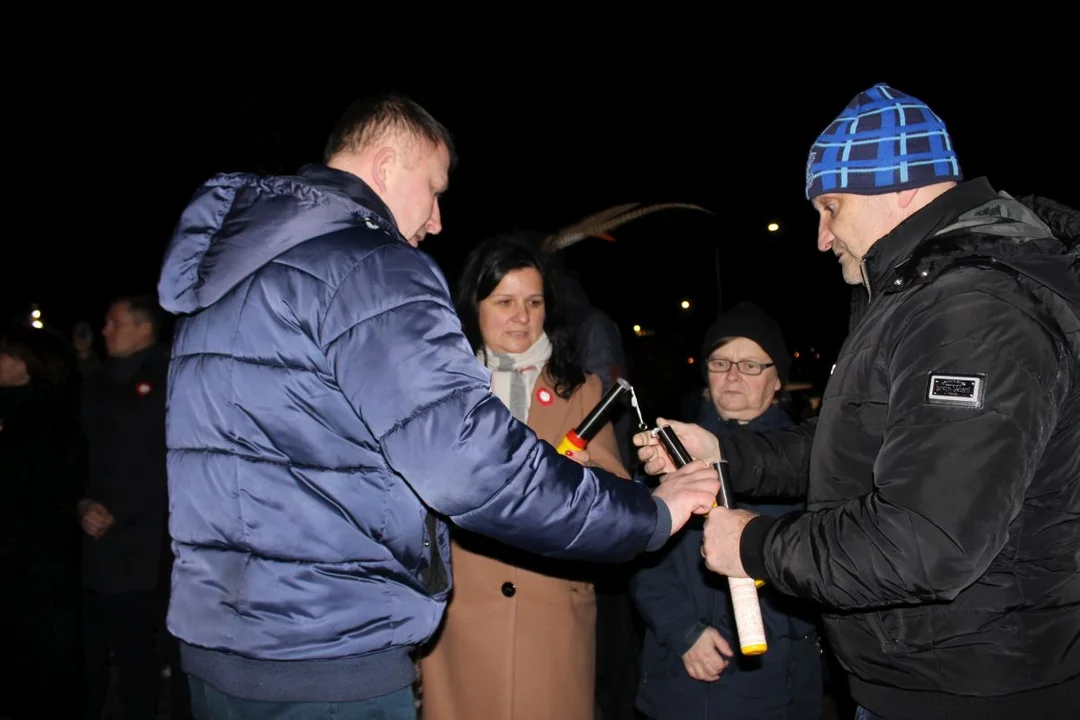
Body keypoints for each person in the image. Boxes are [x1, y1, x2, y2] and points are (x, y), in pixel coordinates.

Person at [156, 92, 720, 719]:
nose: (436, 220)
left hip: (220, 651)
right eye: (435, 188)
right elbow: (471, 466)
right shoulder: (369, 265)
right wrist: (648, 516)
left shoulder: (227, 278)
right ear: (388, 163)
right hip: (329, 655)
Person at [633, 82, 1080, 720]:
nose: (821, 237)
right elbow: (857, 443)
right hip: (930, 674)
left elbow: (926, 541)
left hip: (973, 687)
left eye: (832, 207)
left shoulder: (973, 311)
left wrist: (755, 544)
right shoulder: (921, 292)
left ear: (901, 187)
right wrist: (722, 452)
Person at [419, 234, 630, 720]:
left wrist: (589, 480)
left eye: (533, 302)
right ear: (475, 306)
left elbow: (618, 494)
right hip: (461, 616)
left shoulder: (581, 388)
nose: (521, 316)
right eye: (505, 302)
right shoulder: (444, 388)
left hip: (553, 614)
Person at [630, 302, 822, 720]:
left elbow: (826, 562)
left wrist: (770, 628)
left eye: (751, 365)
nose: (733, 375)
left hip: (775, 678)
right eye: (721, 362)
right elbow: (639, 554)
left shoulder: (811, 464)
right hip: (683, 677)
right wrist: (683, 632)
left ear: (777, 381)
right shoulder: (668, 453)